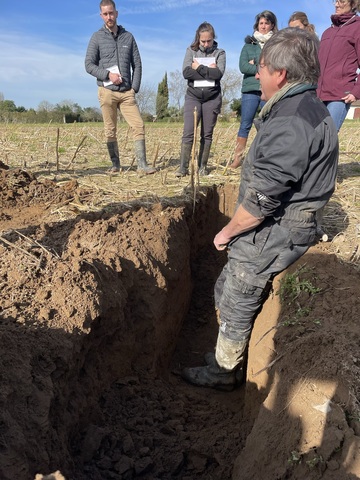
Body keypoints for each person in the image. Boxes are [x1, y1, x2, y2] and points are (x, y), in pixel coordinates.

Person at [182, 28, 339, 391]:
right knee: (226, 284)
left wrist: (226, 232)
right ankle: (228, 353)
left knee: (238, 288)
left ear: (280, 74)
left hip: (284, 225)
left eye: (261, 69)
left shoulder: (291, 120)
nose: (257, 76)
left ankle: (225, 371)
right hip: (286, 217)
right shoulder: (297, 107)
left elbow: (262, 200)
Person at [85, 0, 156, 174]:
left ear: (116, 13)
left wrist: (134, 88)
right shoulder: (96, 37)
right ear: (101, 16)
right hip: (107, 91)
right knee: (110, 129)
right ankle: (116, 165)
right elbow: (88, 64)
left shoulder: (128, 37)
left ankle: (142, 165)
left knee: (138, 125)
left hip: (126, 93)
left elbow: (137, 64)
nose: (109, 17)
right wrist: (107, 75)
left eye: (111, 13)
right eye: (105, 14)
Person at [175, 22, 226, 177]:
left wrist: (198, 68)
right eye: (202, 41)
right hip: (193, 97)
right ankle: (183, 167)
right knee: (188, 132)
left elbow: (218, 74)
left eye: (208, 41)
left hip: (212, 98)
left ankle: (202, 167)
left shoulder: (220, 53)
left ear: (213, 38)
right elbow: (186, 73)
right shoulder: (190, 51)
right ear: (198, 38)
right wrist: (209, 70)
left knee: (207, 134)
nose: (205, 44)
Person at [229, 11, 278, 169]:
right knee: (245, 124)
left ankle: (263, 160)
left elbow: (276, 64)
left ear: (272, 25)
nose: (263, 26)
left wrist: (255, 62)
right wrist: (261, 67)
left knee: (266, 125)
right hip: (250, 89)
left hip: (268, 89)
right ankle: (238, 159)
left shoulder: (276, 45)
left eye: (267, 23)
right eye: (261, 23)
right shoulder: (248, 46)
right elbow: (243, 66)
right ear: (257, 25)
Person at [317, 0, 360, 132]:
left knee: (327, 138)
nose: (336, 5)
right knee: (313, 138)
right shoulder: (327, 32)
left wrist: (356, 92)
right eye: (335, 1)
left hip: (340, 95)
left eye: (341, 1)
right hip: (318, 94)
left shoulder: (357, 28)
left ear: (353, 4)